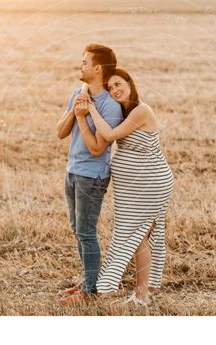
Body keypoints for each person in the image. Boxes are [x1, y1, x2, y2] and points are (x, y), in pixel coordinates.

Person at [74, 68, 174, 306]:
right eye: (110, 88)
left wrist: (92, 108)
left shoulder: (141, 110)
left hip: (150, 183)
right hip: (133, 188)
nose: (115, 90)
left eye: (119, 84)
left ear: (130, 83)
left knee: (138, 237)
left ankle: (141, 295)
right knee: (140, 237)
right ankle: (144, 292)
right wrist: (86, 91)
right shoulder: (125, 111)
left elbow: (107, 135)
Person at [56, 44, 123, 305]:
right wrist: (76, 108)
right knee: (77, 229)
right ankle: (87, 281)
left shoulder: (110, 106)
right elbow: (60, 132)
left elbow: (97, 149)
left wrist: (83, 117)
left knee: (86, 232)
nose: (80, 65)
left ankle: (90, 290)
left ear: (97, 69)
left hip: (91, 177)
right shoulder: (78, 94)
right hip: (72, 171)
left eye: (84, 62)